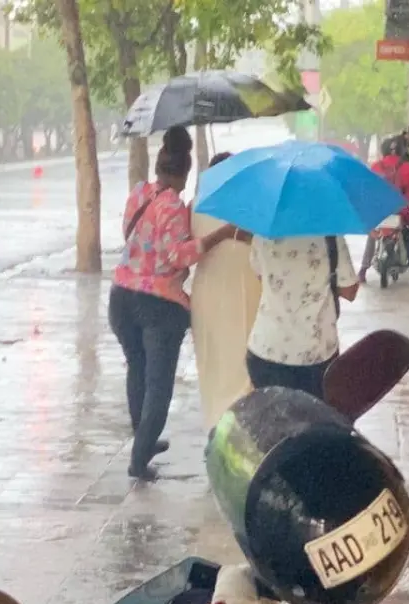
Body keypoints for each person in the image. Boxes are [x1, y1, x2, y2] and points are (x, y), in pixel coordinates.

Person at [110, 127, 243, 481]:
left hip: (121, 295)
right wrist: (222, 234)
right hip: (157, 305)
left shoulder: (139, 194)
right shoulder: (172, 206)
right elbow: (178, 257)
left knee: (136, 369)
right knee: (158, 385)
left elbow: (129, 231)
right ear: (184, 172)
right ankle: (139, 460)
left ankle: (144, 440)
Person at [189, 151, 263, 430]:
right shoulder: (249, 205)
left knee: (213, 359)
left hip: (208, 287)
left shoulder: (194, 205)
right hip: (243, 285)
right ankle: (241, 424)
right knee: (241, 355)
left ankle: (215, 424)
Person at [246, 228, 359, 399]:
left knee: (274, 422)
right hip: (315, 355)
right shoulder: (329, 233)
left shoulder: (263, 231)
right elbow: (349, 291)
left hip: (266, 350)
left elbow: (261, 275)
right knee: (313, 422)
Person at [359, 136, 409, 285]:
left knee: (372, 236)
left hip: (380, 211)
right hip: (400, 211)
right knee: (408, 236)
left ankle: (363, 270)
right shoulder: (408, 168)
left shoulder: (375, 167)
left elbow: (369, 192)